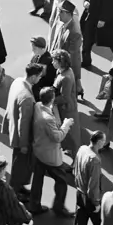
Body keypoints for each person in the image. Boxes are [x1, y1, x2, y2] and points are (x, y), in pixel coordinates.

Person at [29, 87, 76, 217]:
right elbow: (57, 137)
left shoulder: (38, 106)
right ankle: (58, 208)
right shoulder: (48, 119)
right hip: (50, 156)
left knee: (37, 180)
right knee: (61, 180)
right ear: (52, 99)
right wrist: (66, 125)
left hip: (38, 151)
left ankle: (34, 204)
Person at [4, 63, 42, 198]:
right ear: (33, 77)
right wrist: (24, 144)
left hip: (13, 129)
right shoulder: (27, 97)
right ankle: (14, 193)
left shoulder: (17, 81)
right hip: (22, 138)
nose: (40, 79)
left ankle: (18, 187)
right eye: (39, 76)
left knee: (19, 164)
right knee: (20, 165)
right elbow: (24, 124)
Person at [72, 131, 107, 225]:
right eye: (103, 141)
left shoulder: (82, 149)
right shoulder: (95, 160)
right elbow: (93, 185)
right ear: (99, 142)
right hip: (90, 199)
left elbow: (75, 168)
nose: (104, 143)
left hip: (79, 193)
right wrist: (96, 203)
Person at [51, 50, 80, 155]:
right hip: (63, 107)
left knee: (71, 133)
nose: (52, 62)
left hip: (67, 108)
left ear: (60, 62)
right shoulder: (62, 71)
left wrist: (51, 99)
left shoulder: (66, 77)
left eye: (54, 60)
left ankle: (75, 154)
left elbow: (65, 97)